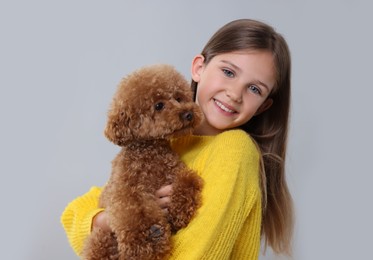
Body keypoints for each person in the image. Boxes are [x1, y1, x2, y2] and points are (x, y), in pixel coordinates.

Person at [61, 18, 294, 259]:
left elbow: (201, 254)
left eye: (254, 89)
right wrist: (111, 219)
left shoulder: (235, 149)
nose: (234, 94)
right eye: (228, 72)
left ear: (263, 106)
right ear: (198, 68)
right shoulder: (164, 142)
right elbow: (72, 214)